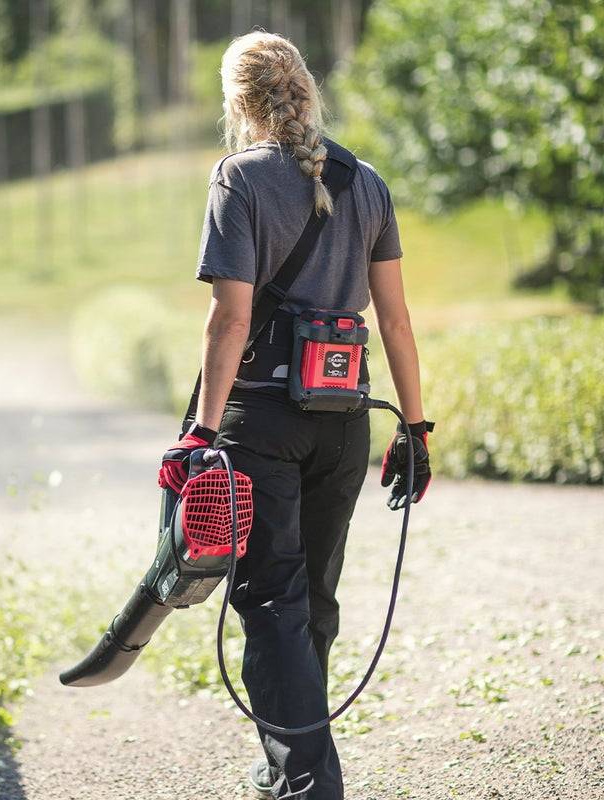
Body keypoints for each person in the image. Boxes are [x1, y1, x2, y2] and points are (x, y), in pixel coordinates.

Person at [158, 31, 434, 800]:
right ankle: (290, 762)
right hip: (346, 418)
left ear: (238, 102)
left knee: (273, 599)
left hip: (262, 423)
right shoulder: (367, 182)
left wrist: (201, 433)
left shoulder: (237, 178)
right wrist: (415, 430)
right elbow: (398, 321)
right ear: (307, 89)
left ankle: (307, 781)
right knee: (312, 594)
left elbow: (229, 322)